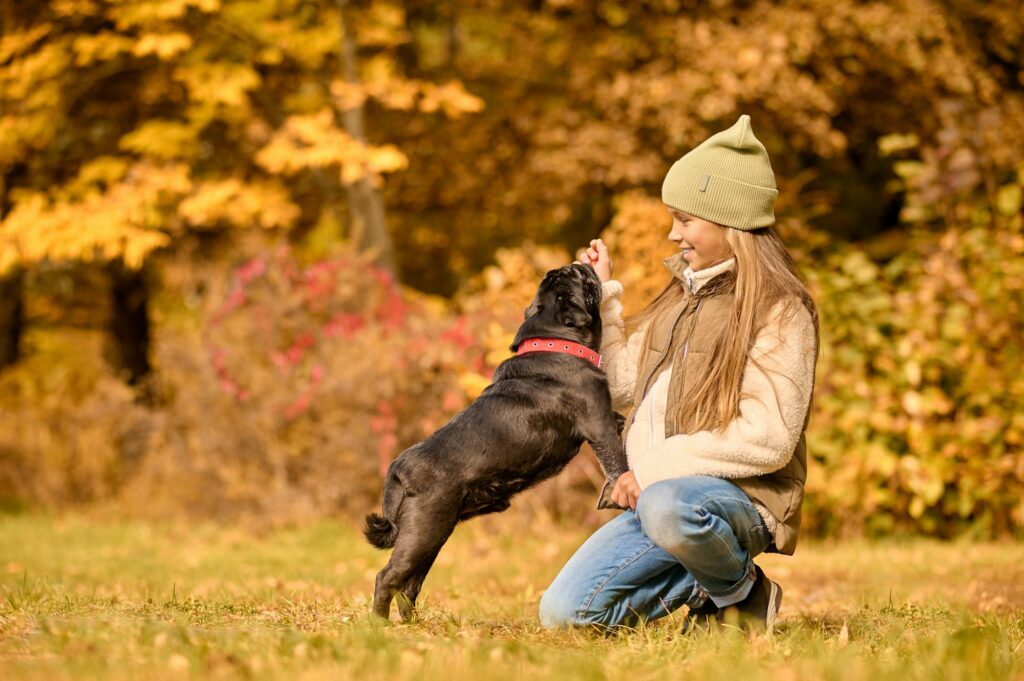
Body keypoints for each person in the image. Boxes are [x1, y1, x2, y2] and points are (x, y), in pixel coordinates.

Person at [539, 114, 819, 634]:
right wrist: (604, 298)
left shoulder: (780, 310)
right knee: (564, 614)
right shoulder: (679, 300)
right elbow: (620, 388)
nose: (673, 233)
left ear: (729, 223)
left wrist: (655, 469)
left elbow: (771, 438)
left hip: (729, 501)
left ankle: (741, 594)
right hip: (656, 502)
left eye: (685, 220)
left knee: (670, 505)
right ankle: (712, 585)